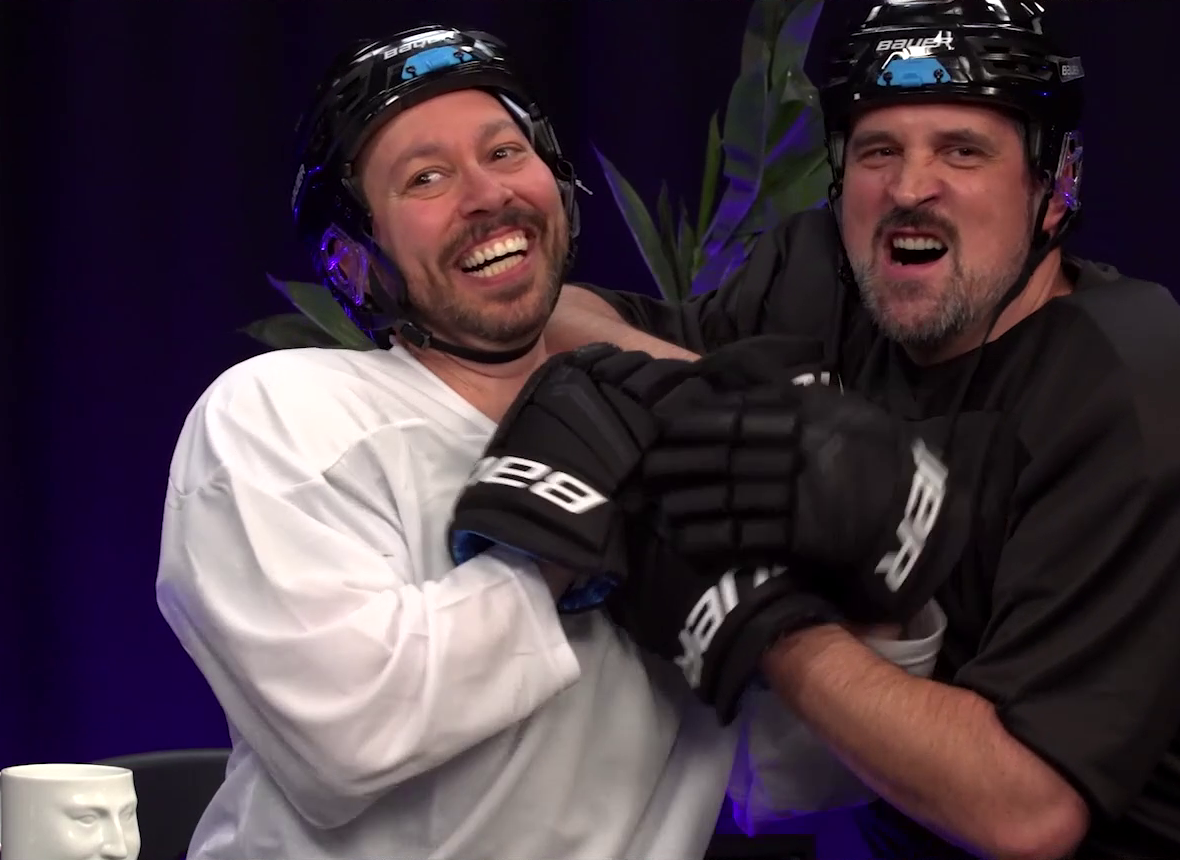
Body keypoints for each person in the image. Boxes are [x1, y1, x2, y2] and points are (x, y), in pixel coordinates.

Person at [538, 1, 1180, 857]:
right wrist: (711, 408)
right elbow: (576, 321)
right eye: (879, 151)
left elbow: (1025, 810)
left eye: (963, 150)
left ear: (1057, 188)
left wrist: (760, 616)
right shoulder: (820, 282)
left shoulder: (1135, 396)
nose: (909, 188)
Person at [151, 23, 943, 860]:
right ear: (353, 260)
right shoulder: (282, 412)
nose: (487, 195)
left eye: (504, 152)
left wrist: (879, 587)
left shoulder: (673, 438)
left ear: (558, 187)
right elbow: (345, 734)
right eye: (426, 177)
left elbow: (781, 777)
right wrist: (559, 539)